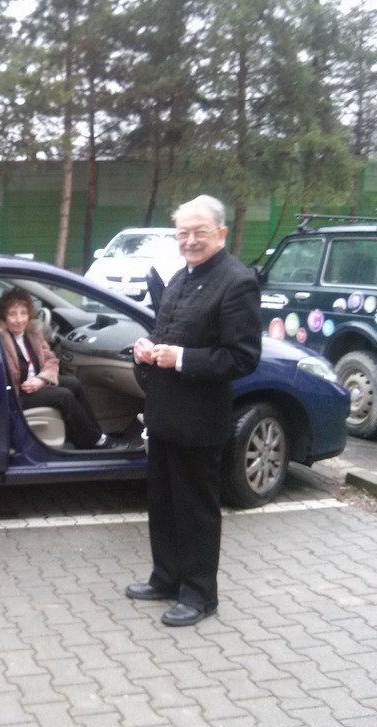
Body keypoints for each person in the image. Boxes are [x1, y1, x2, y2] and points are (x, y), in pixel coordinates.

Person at [126, 195, 262, 626]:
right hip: (164, 412)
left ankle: (200, 595)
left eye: (198, 232)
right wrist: (148, 347)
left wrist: (181, 358)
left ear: (220, 233)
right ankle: (166, 578)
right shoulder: (180, 277)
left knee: (195, 511)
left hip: (200, 420)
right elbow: (166, 331)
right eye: (182, 233)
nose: (189, 240)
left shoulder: (236, 282)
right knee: (163, 503)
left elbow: (243, 358)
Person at [0, 287, 116, 449]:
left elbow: (50, 358)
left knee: (74, 383)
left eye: (23, 313)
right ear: (4, 316)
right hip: (17, 393)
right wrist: (35, 382)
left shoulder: (32, 333)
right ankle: (92, 440)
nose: (19, 320)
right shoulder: (0, 339)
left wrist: (42, 379)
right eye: (12, 314)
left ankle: (95, 433)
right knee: (63, 396)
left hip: (35, 382)